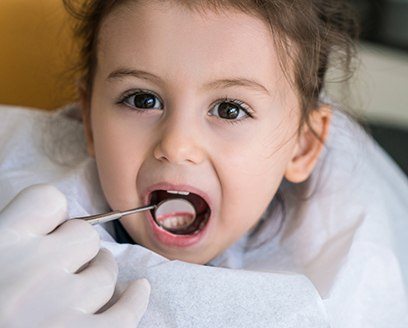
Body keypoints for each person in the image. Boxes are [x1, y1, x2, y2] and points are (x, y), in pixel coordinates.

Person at [1, 0, 407, 327]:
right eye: (143, 99)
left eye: (229, 110)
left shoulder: (352, 279)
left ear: (301, 147)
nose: (177, 146)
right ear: (89, 120)